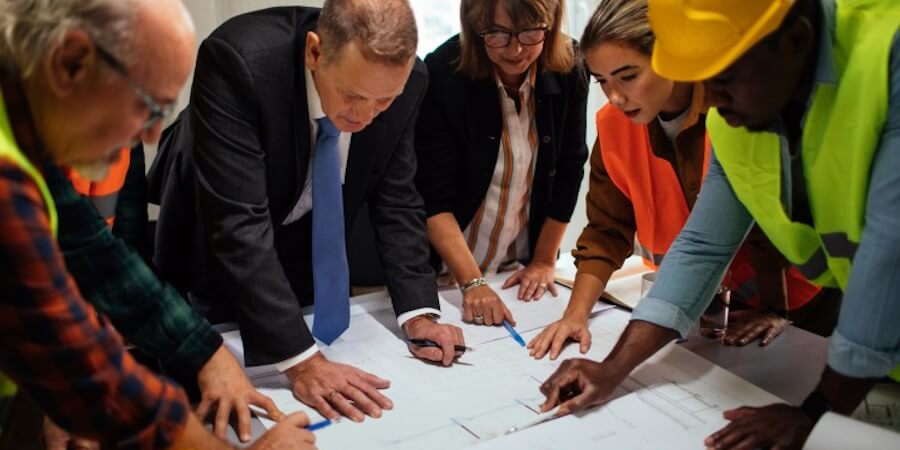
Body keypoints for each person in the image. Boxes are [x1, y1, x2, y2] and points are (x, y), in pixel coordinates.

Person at [539, 0, 900, 448]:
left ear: (797, 41)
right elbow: (703, 245)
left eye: (723, 78)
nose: (708, 97)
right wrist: (613, 368)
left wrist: (815, 413)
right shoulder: (734, 104)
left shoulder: (888, 53)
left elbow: (890, 253)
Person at [0, 0, 315, 448]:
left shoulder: (25, 125)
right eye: (147, 107)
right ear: (71, 63)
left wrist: (205, 353)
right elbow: (88, 375)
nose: (151, 138)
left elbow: (98, 254)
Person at [150, 0, 465, 424]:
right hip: (213, 242)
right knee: (210, 404)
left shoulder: (410, 82)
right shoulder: (239, 61)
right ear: (315, 52)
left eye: (383, 102)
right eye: (353, 96)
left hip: (306, 238)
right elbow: (237, 225)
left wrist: (420, 312)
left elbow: (397, 197)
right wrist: (302, 363)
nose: (367, 117)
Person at [527, 0, 831, 362]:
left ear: (671, 56)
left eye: (628, 76)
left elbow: (758, 224)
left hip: (795, 304)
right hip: (698, 307)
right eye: (602, 81)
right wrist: (575, 316)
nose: (615, 97)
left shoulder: (736, 106)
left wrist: (777, 309)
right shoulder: (613, 124)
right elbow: (607, 230)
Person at [416, 0, 588, 327]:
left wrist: (543, 260)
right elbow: (431, 198)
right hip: (447, 274)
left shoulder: (570, 65)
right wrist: (473, 282)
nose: (515, 49)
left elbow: (570, 167)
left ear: (550, 23)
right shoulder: (444, 71)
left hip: (516, 270)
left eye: (530, 32)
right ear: (475, 24)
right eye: (497, 33)